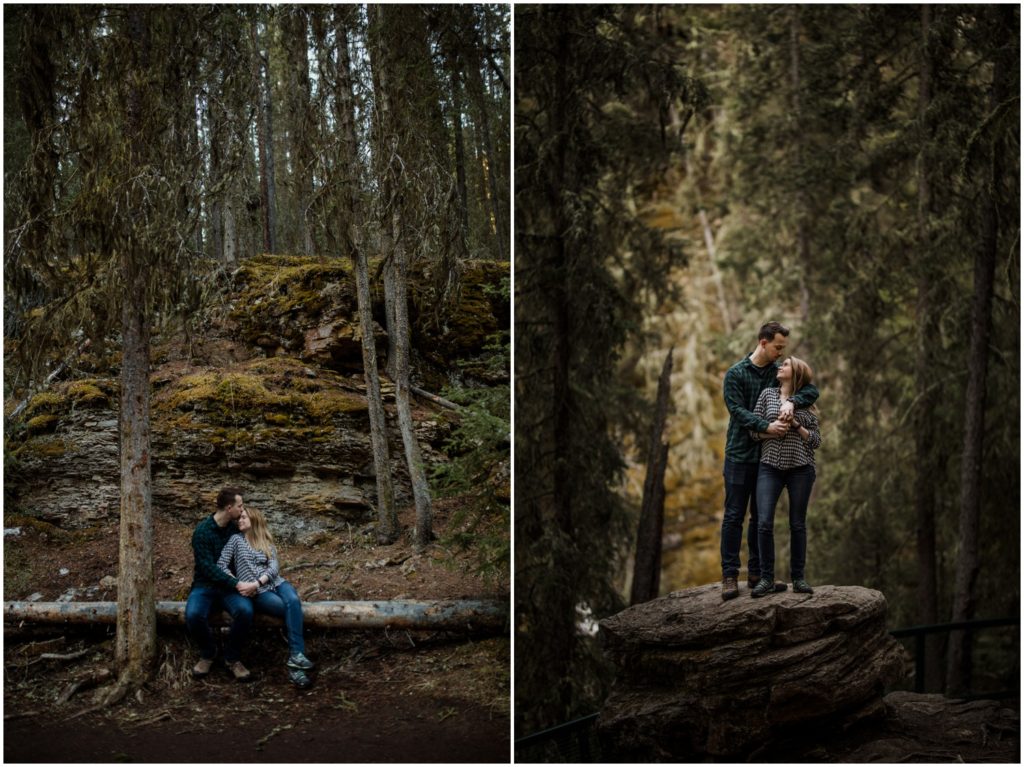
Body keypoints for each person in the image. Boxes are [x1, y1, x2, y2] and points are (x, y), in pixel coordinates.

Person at [720, 321, 819, 601]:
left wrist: (792, 402)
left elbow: (810, 389)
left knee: (759, 519)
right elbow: (737, 410)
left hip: (767, 460)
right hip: (741, 454)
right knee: (734, 515)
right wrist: (766, 427)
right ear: (763, 343)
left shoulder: (776, 373)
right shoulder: (736, 374)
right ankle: (729, 576)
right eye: (778, 347)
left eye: (783, 349)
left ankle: (756, 574)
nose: (781, 353)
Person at [217, 505, 315, 689]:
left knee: (293, 601)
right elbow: (221, 565)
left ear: (254, 520)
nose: (240, 520)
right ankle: (297, 667)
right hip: (259, 593)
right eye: (240, 518)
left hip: (276, 583)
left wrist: (256, 582)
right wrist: (239, 583)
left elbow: (274, 567)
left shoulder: (265, 540)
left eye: (244, 517)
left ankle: (297, 659)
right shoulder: (235, 540)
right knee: (286, 608)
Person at [749, 356, 821, 597]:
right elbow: (753, 431)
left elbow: (816, 441)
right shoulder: (767, 395)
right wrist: (772, 431)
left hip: (801, 469)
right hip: (769, 467)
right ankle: (766, 578)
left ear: (796, 373)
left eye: (786, 365)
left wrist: (797, 425)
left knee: (797, 524)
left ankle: (798, 578)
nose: (780, 367)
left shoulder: (806, 402)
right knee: (764, 522)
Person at [185, 487, 257, 681]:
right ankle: (208, 653)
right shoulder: (202, 532)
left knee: (245, 611)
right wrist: (236, 583)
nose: (242, 511)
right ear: (228, 507)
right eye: (240, 506)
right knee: (193, 614)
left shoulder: (236, 529)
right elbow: (207, 568)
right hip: (205, 585)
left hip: (228, 588)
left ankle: (232, 658)